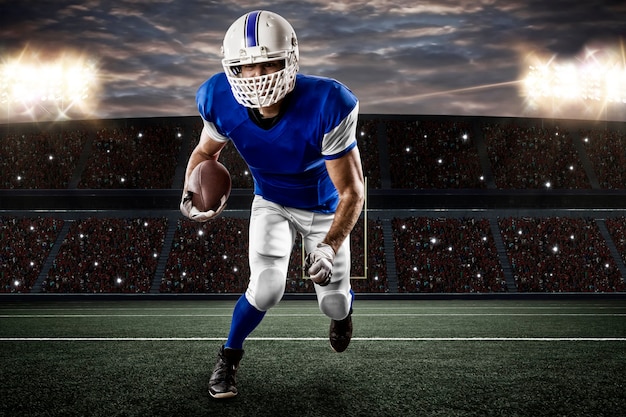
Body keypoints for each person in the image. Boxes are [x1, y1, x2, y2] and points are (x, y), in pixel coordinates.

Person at [180, 10, 364, 399]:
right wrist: (189, 192)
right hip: (272, 200)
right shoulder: (217, 98)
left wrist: (329, 247)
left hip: (324, 206)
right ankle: (228, 357)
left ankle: (344, 313)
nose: (258, 76)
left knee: (331, 303)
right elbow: (203, 154)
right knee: (265, 288)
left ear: (292, 60)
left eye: (268, 63)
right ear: (230, 69)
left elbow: (352, 192)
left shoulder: (327, 102)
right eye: (245, 67)